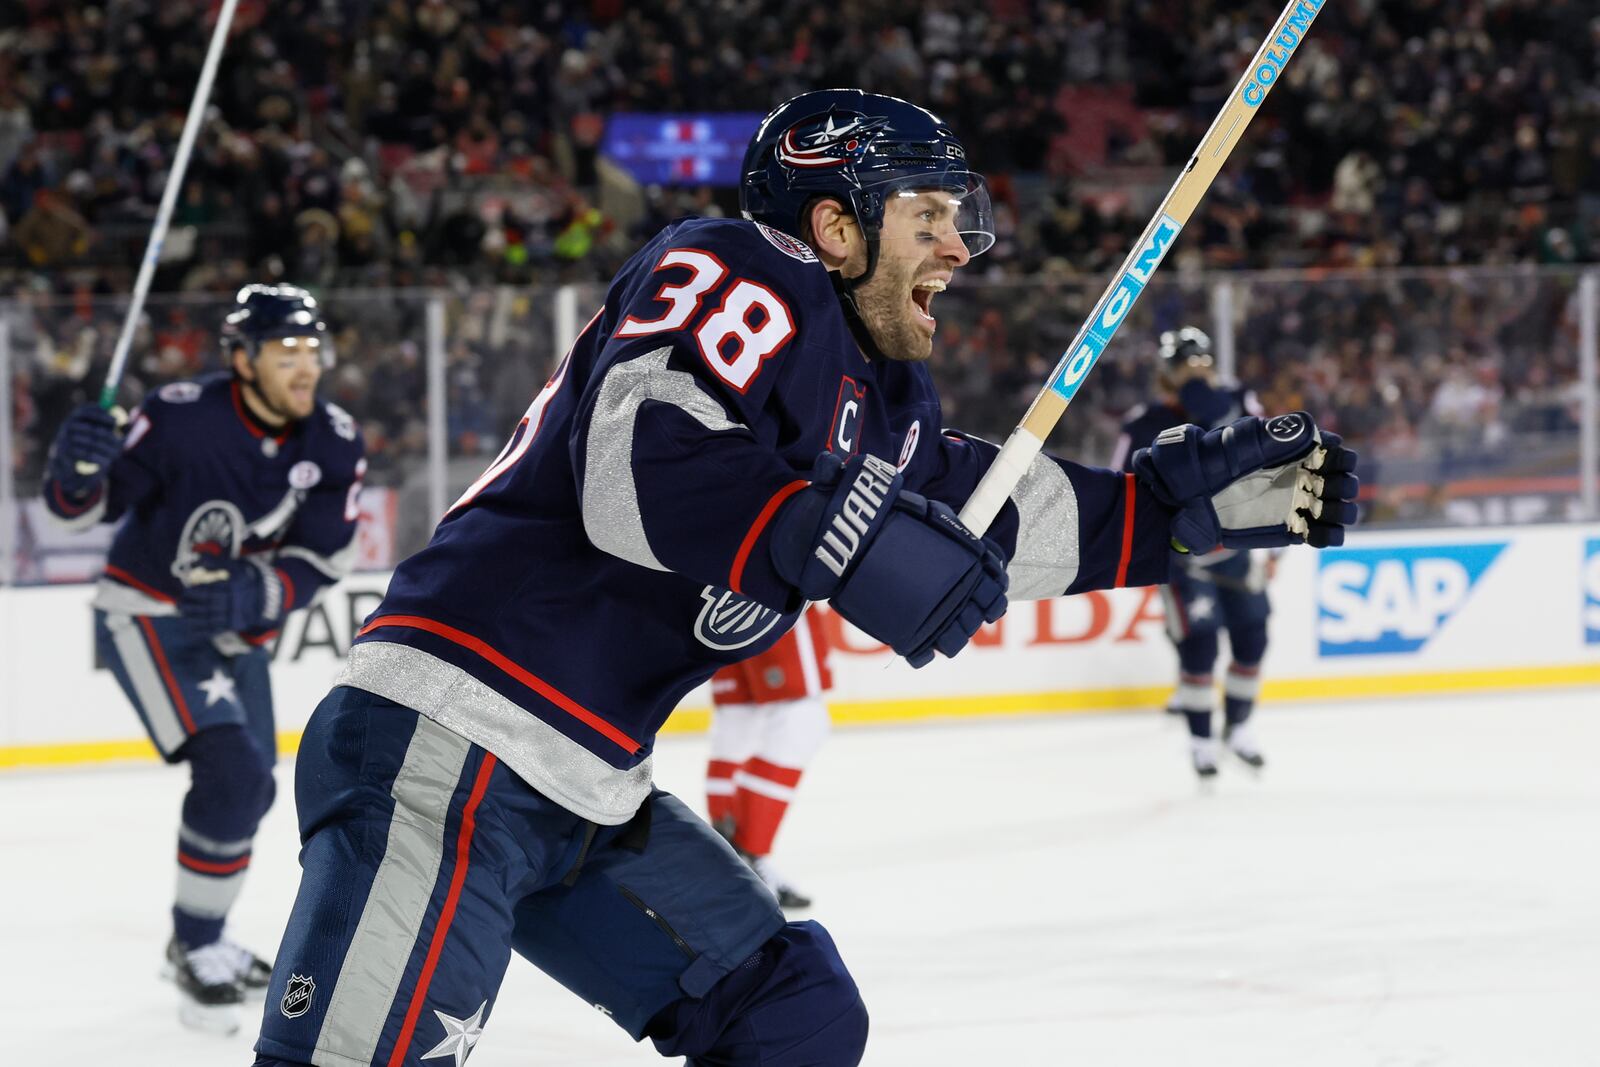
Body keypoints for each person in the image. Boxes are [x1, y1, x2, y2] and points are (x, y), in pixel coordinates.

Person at [251, 89, 1357, 1067]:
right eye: (928, 217)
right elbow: (633, 458)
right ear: (834, 225)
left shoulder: (879, 404)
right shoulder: (743, 266)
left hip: (585, 783)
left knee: (790, 1015)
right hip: (451, 737)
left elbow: (988, 511)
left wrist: (1167, 517)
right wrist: (809, 528)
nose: (958, 250)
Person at [42, 284, 367, 1034]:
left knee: (249, 790)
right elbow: (80, 509)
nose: (305, 366)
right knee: (233, 772)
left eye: (312, 349)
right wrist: (75, 470)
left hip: (231, 632)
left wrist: (261, 590)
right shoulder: (183, 414)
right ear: (243, 358)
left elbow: (326, 553)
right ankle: (195, 946)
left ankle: (201, 938)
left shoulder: (335, 437)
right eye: (286, 350)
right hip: (147, 613)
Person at [1110, 326, 1274, 780]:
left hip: (1238, 547)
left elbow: (1268, 455)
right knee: (1199, 648)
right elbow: (1118, 483)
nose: (1197, 371)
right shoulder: (1144, 421)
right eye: (1186, 364)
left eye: (1202, 362)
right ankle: (1201, 741)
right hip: (1183, 557)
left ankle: (1238, 728)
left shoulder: (1239, 398)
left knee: (1253, 639)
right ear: (1167, 372)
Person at [706, 606, 833, 909]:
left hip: (718, 590)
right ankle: (747, 855)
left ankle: (722, 859)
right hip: (775, 583)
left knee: (738, 722)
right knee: (801, 717)